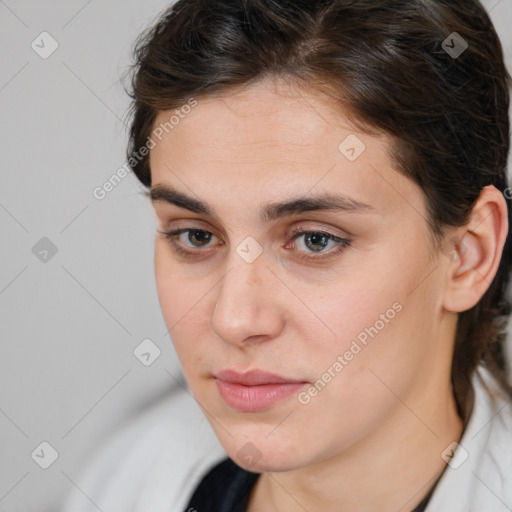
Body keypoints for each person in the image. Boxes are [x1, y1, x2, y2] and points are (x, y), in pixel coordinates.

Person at [62, 0, 512, 510]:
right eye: (196, 235)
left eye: (316, 240)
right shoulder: (128, 477)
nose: (232, 320)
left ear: (468, 255)